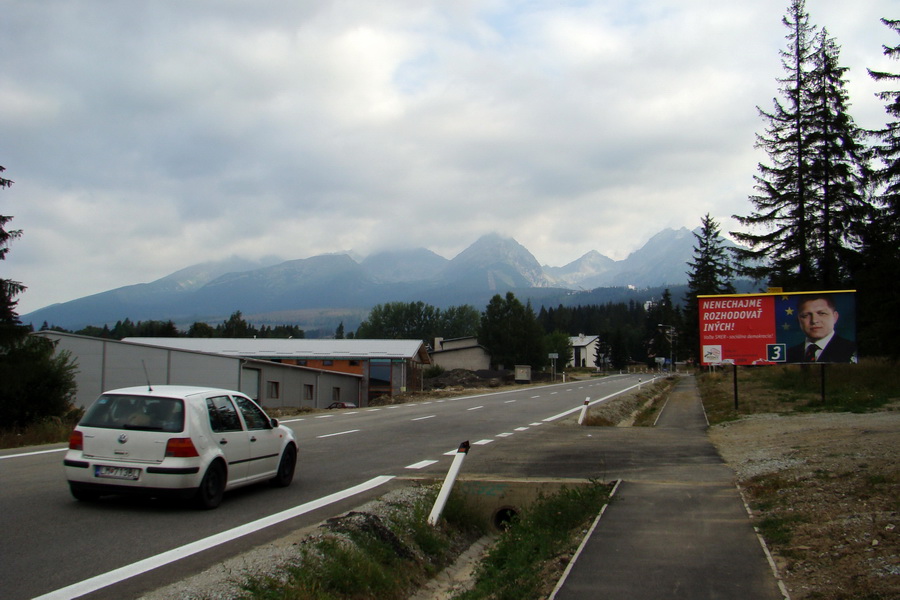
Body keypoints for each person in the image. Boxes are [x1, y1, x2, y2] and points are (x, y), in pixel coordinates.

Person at [786, 295, 857, 363]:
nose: (814, 320)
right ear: (799, 319)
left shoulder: (852, 350)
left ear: (835, 317)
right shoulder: (789, 354)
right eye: (806, 315)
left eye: (822, 313)